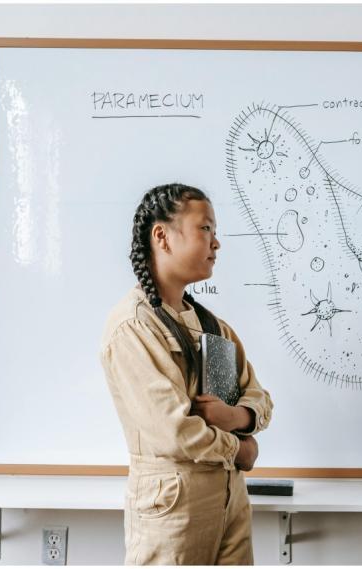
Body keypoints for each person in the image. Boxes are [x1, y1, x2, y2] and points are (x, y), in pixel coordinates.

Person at [100, 183, 273, 565]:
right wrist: (239, 448)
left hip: (230, 498)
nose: (216, 243)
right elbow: (174, 430)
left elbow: (257, 396)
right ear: (161, 236)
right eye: (205, 229)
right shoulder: (132, 327)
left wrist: (236, 417)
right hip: (174, 504)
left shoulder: (212, 324)